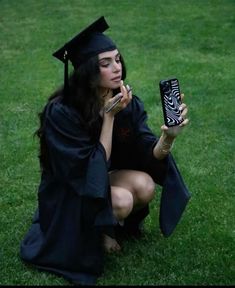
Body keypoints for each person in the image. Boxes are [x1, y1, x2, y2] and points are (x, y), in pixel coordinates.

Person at [20, 16, 190, 285]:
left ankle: (106, 226)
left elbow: (147, 152)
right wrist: (108, 119)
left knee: (145, 185)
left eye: (117, 59)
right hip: (70, 191)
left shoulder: (124, 101)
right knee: (121, 200)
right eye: (105, 63)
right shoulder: (62, 112)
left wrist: (168, 137)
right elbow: (87, 171)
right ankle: (97, 233)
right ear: (88, 70)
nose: (116, 68)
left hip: (97, 181)